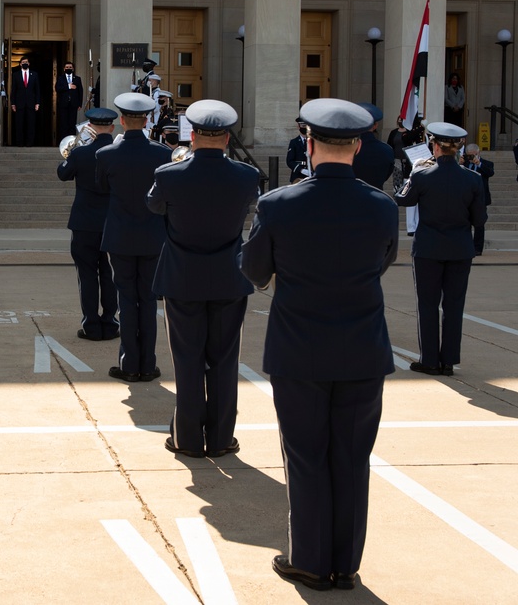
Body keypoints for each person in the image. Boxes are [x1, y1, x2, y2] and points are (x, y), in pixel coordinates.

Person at [241, 98, 399, 592]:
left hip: (299, 349)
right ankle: (345, 564)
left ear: (308, 144)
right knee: (351, 458)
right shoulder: (382, 206)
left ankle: (310, 560)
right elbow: (382, 263)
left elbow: (254, 271)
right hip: (361, 348)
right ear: (356, 145)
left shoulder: (278, 204)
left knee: (306, 456)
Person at [147, 100, 260, 459]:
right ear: (227, 138)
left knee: (187, 360)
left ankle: (187, 438)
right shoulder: (246, 176)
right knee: (225, 361)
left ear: (191, 136)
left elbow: (153, 206)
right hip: (229, 276)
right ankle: (222, 437)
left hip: (183, 279)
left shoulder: (168, 174)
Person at [395, 123, 487, 375]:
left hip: (428, 248)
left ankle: (429, 360)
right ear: (457, 148)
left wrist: (413, 172)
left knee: (427, 304)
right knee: (454, 306)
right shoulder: (473, 179)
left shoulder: (423, 175)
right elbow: (479, 220)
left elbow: (402, 198)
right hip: (459, 248)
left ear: (434, 146)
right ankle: (448, 362)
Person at [96, 93, 169, 382]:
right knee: (148, 301)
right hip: (152, 236)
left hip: (121, 236)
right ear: (148, 119)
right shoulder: (162, 154)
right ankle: (148, 364)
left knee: (126, 300)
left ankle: (129, 363)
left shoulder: (105, 154)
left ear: (122, 120)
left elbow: (102, 188)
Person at [57, 107, 120, 341]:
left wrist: (74, 148)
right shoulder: (119, 152)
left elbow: (62, 174)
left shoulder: (80, 153)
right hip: (113, 222)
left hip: (84, 223)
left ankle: (91, 325)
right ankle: (111, 322)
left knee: (87, 274)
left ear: (90, 127)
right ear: (112, 128)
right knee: (110, 273)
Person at [352, 103, 395, 190]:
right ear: (375, 126)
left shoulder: (347, 148)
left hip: (350, 197)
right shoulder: (387, 150)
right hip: (376, 196)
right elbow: (386, 175)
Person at [463, 143, 494, 255]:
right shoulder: (464, 164)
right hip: (466, 198)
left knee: (479, 224)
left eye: (473, 155)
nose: (471, 158)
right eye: (469, 156)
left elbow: (490, 173)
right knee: (465, 223)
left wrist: (479, 164)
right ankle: (467, 246)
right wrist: (459, 164)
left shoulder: (487, 163)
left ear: (478, 153)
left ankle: (477, 248)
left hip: (481, 198)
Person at [11, 56, 40, 146]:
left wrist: (37, 102)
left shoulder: (34, 74)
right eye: (23, 62)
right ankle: (19, 143)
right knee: (19, 124)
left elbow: (37, 89)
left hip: (31, 103)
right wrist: (13, 103)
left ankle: (29, 143)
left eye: (26, 62)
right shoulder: (16, 75)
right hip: (19, 103)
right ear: (20, 64)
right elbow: (13, 90)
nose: (25, 63)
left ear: (29, 64)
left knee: (31, 124)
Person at [55, 60, 83, 140]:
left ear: (73, 69)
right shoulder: (61, 78)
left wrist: (80, 104)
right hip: (63, 104)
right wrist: (68, 86)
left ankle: (71, 142)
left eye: (70, 67)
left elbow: (80, 91)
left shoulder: (77, 79)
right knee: (64, 124)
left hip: (74, 104)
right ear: (64, 69)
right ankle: (64, 142)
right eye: (67, 67)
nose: (68, 68)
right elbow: (57, 88)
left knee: (72, 124)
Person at [285, 116, 310, 183]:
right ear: (298, 126)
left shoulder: (313, 142)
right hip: (297, 175)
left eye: (306, 126)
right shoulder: (294, 142)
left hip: (311, 174)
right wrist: (301, 170)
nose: (304, 127)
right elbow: (289, 161)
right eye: (302, 125)